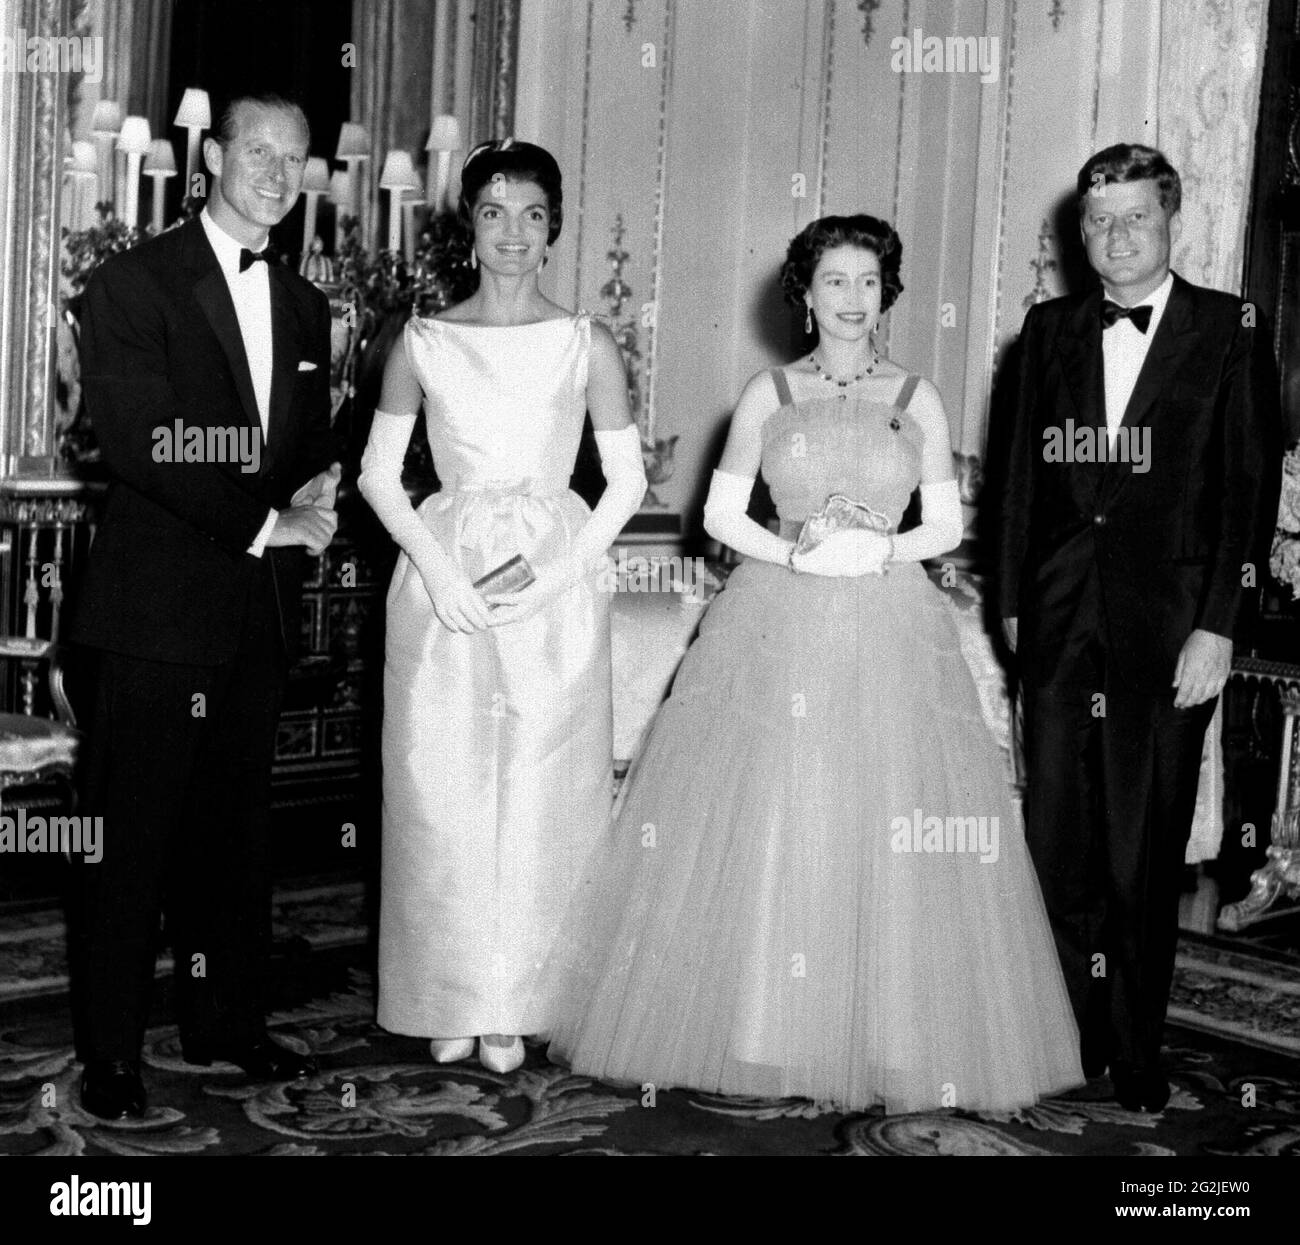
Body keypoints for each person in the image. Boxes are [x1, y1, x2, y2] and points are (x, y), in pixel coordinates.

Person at [528, 215, 1083, 1114]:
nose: (852, 298)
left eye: (868, 280)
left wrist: (879, 546)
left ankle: (891, 1035)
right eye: (835, 280)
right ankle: (769, 1030)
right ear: (806, 293)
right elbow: (718, 514)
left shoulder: (918, 396)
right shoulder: (769, 392)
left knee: (889, 819)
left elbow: (946, 521)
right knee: (785, 816)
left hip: (891, 626)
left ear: (887, 291)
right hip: (777, 620)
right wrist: (796, 553)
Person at [70, 93, 343, 1120]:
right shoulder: (134, 282)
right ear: (215, 156)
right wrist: (265, 523)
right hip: (152, 616)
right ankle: (110, 1055)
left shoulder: (308, 305)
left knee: (232, 840)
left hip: (251, 616)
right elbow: (144, 442)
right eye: (257, 150)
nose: (276, 170)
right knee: (128, 842)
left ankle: (225, 1020)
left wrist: (317, 487)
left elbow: (303, 441)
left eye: (294, 156)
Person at [999, 144, 1282, 1112]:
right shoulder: (1046, 331)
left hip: (1171, 634)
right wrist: (1009, 603)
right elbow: (1016, 484)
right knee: (1056, 841)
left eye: (1135, 218)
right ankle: (1062, 1036)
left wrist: (1219, 626)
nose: (1115, 237)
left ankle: (1135, 1048)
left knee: (1142, 847)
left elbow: (1246, 491)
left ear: (1171, 224)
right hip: (1058, 622)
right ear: (1078, 234)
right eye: (1098, 221)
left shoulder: (1229, 330)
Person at [359, 139, 647, 1075]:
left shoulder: (584, 342)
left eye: (531, 214)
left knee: (538, 795)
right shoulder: (423, 339)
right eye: (493, 212)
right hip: (444, 579)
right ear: (469, 226)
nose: (512, 233)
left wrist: (552, 578)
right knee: (440, 786)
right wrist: (444, 577)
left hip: (551, 582)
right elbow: (376, 476)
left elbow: (626, 482)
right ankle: (450, 989)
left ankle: (518, 1002)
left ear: (553, 228)